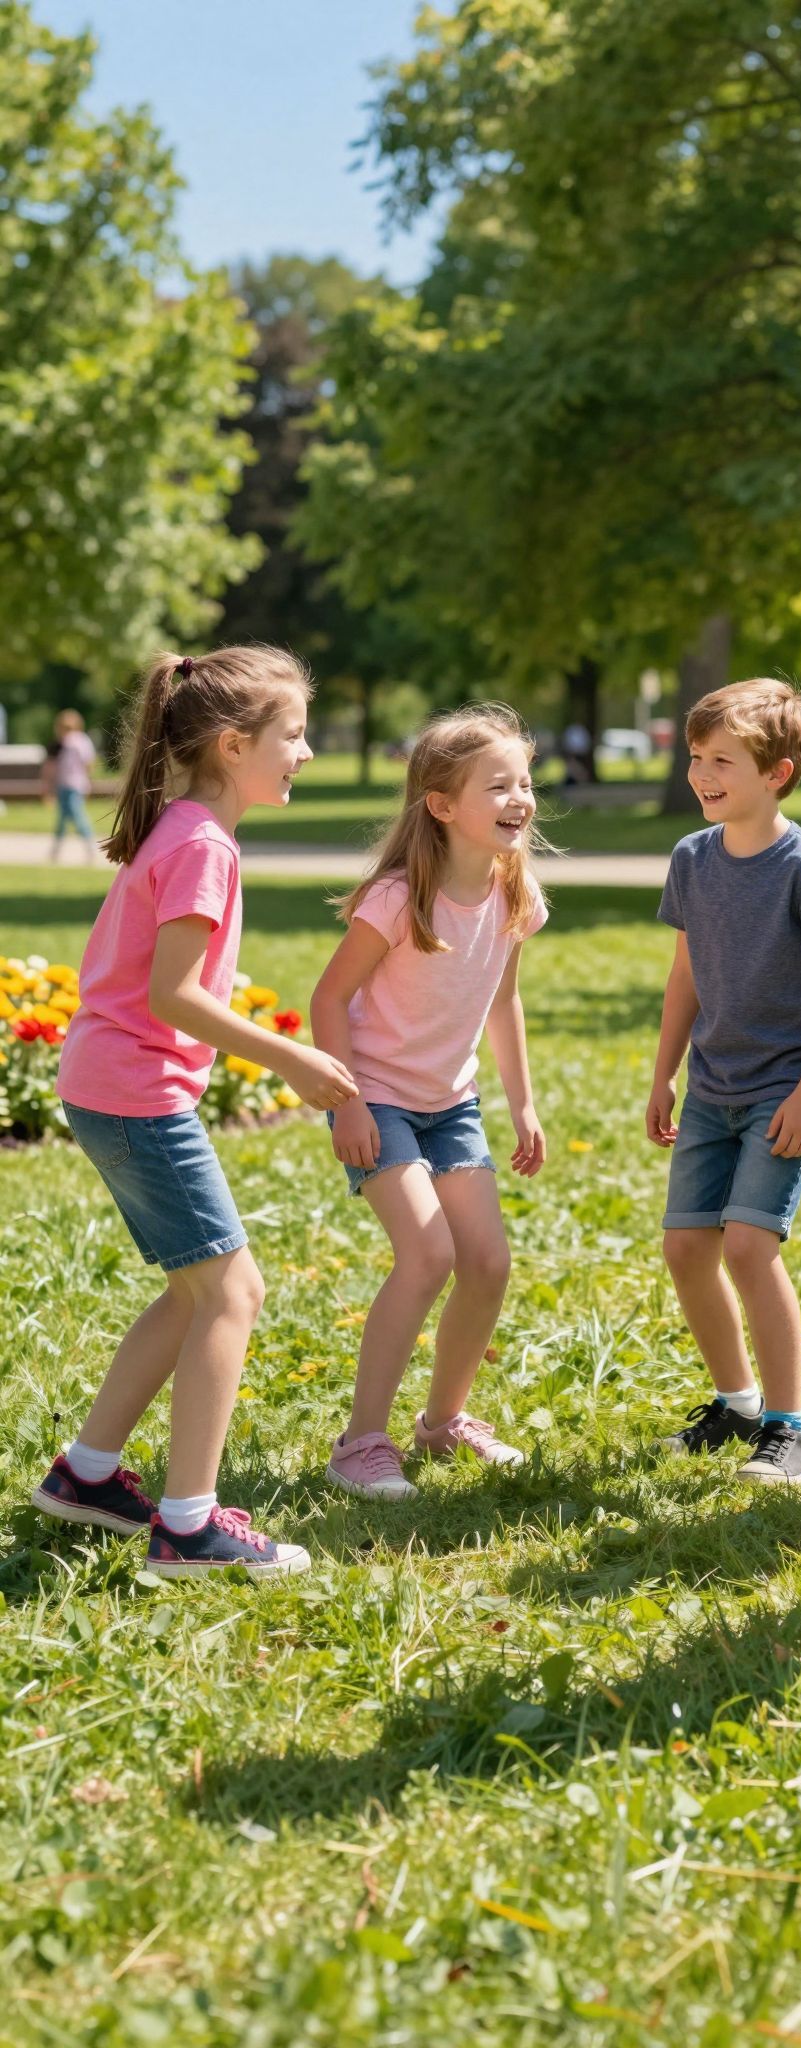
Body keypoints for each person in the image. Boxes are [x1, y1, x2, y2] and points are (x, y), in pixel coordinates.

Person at [31, 648, 358, 1577]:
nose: (304, 753)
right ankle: (189, 1524)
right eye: (291, 736)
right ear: (231, 743)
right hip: (137, 1093)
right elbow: (173, 995)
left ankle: (89, 1474)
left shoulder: (184, 829)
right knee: (232, 1291)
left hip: (111, 1085)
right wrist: (289, 1054)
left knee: (194, 1289)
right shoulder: (203, 844)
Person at [310, 704, 548, 1499]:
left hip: (452, 1104)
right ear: (443, 806)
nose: (520, 798)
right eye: (499, 786)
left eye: (524, 782)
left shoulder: (515, 892)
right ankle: (361, 1443)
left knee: (486, 1263)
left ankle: (444, 1422)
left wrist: (522, 1104)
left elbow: (503, 1002)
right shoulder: (398, 896)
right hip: (376, 1097)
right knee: (429, 1256)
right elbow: (328, 998)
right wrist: (345, 1103)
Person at [646, 678, 801, 1486]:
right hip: (710, 1086)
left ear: (777, 772)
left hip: (782, 1085)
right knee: (686, 1247)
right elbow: (685, 976)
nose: (703, 774)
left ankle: (790, 1425)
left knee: (747, 1245)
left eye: (723, 761)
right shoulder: (692, 859)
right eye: (698, 758)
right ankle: (736, 1404)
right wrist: (663, 1074)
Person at [45, 709, 98, 861]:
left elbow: (87, 763)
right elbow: (53, 767)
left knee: (78, 815)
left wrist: (87, 782)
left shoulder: (79, 741)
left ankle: (90, 845)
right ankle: (56, 849)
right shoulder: (60, 744)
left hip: (75, 785)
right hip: (63, 785)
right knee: (62, 818)